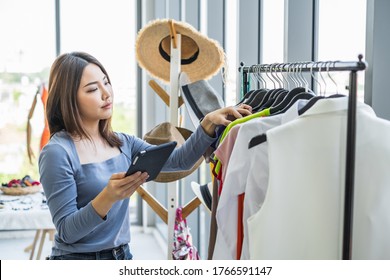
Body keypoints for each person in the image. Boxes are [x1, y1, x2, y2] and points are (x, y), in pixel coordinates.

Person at [38, 51, 252, 260]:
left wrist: (207, 123)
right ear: (69, 99)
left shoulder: (123, 143)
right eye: (93, 89)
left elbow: (180, 161)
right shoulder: (57, 153)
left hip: (122, 255)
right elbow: (67, 230)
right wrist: (108, 197)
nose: (106, 93)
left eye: (106, 82)